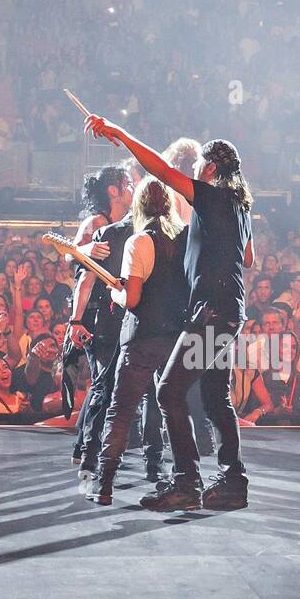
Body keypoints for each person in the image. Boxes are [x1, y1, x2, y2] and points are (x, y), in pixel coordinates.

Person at [86, 116, 254, 512]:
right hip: (229, 312)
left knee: (169, 390)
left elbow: (159, 170)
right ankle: (233, 481)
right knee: (215, 398)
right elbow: (248, 257)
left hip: (212, 313)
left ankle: (186, 482)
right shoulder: (239, 207)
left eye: (198, 166)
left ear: (210, 169)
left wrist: (120, 133)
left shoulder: (212, 197)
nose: (192, 171)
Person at [90, 179, 188, 505]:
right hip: (177, 338)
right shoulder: (186, 239)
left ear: (140, 207)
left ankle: (104, 484)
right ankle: (181, 482)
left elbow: (132, 299)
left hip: (142, 337)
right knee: (174, 410)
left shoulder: (139, 241)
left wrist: (116, 293)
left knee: (121, 411)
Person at [68, 165, 134, 477]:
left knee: (107, 383)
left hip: (118, 311)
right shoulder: (96, 222)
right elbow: (69, 256)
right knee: (103, 383)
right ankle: (84, 449)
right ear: (113, 190)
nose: (132, 188)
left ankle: (89, 446)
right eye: (127, 184)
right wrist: (86, 248)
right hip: (95, 313)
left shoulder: (127, 225)